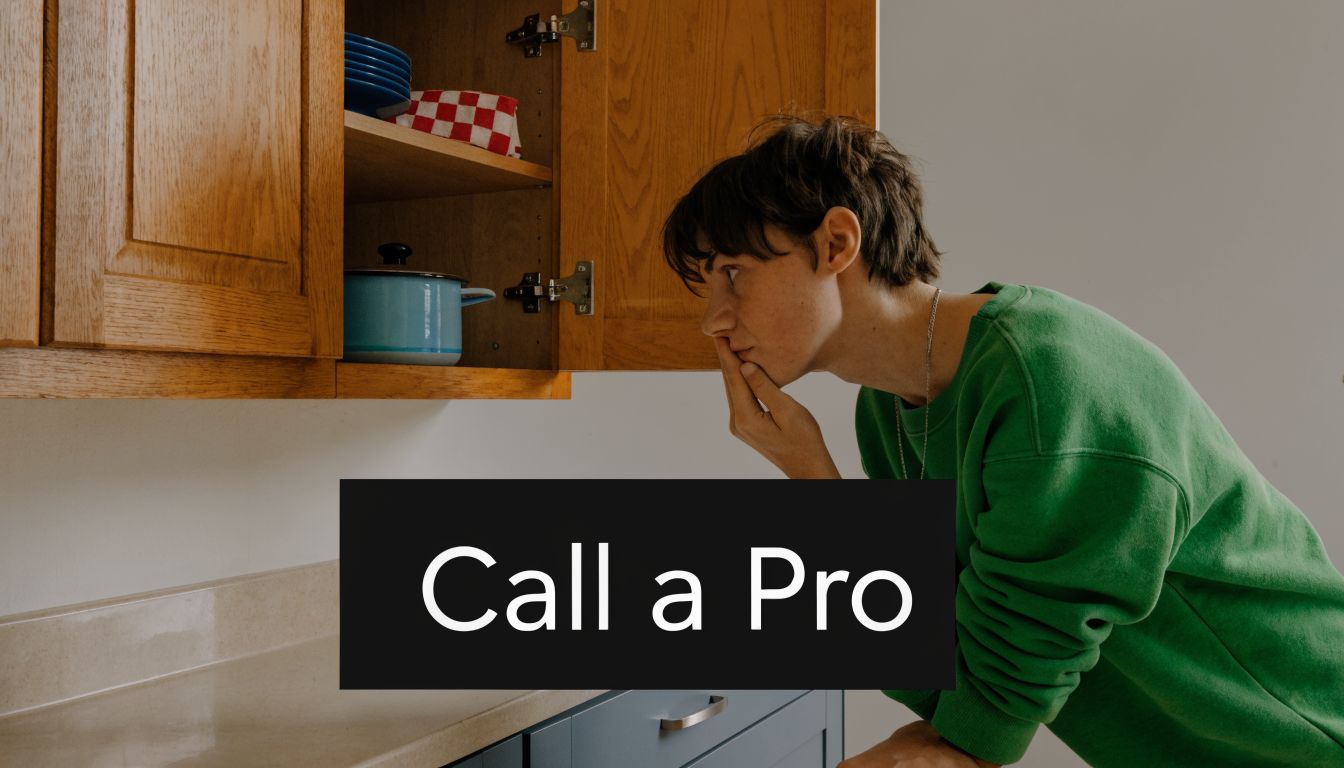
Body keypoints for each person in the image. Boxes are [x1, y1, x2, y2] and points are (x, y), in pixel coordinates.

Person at [660, 112, 1344, 767]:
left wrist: (950, 731)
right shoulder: (890, 411)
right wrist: (809, 472)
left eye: (733, 274)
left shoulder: (1045, 381)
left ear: (837, 244)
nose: (714, 322)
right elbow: (938, 678)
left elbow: (988, 714)